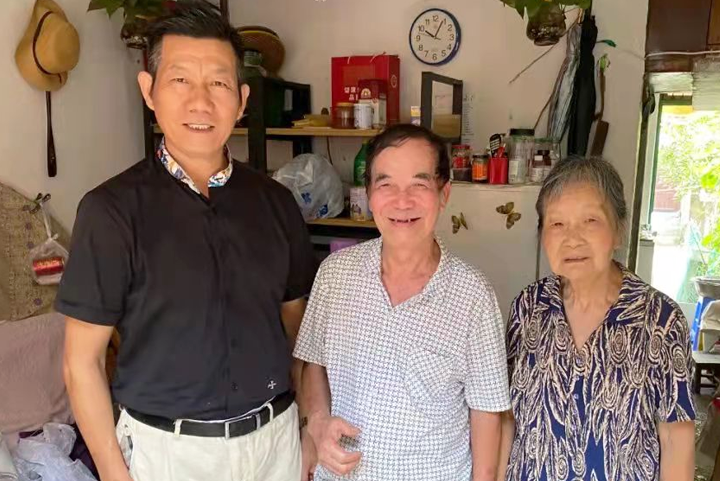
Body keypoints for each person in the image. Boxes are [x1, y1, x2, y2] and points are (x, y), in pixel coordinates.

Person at [57, 2, 317, 480]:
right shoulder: (112, 211)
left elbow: (298, 330)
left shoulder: (276, 204)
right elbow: (82, 362)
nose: (201, 101)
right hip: (170, 453)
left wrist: (305, 429)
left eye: (218, 83)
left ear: (241, 100)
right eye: (180, 80)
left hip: (274, 443)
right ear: (149, 91)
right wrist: (116, 474)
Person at [294, 124, 511, 481]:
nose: (402, 201)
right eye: (386, 184)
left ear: (444, 194)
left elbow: (486, 412)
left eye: (419, 184)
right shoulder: (335, 275)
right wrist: (316, 424)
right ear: (369, 195)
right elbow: (313, 363)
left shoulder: (473, 296)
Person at [498, 156, 696, 481]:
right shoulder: (528, 307)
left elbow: (677, 437)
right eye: (557, 223)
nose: (572, 238)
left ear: (618, 230)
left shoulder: (659, 320)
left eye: (590, 221)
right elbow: (507, 417)